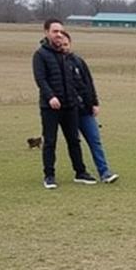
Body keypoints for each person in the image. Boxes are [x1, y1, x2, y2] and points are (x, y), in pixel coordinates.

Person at [32, 18, 96, 190]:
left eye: (61, 31)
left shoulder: (66, 55)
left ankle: (80, 172)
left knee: (74, 140)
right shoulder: (40, 55)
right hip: (50, 107)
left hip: (70, 105)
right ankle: (49, 175)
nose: (59, 35)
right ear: (46, 33)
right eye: (55, 31)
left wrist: (87, 100)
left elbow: (78, 80)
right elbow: (41, 79)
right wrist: (51, 96)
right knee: (50, 141)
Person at [58, 31, 119, 184]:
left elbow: (88, 83)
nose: (64, 47)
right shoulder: (55, 63)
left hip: (84, 108)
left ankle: (104, 172)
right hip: (68, 110)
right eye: (61, 45)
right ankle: (80, 172)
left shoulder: (78, 61)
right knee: (74, 142)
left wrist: (94, 102)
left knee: (95, 140)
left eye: (66, 44)